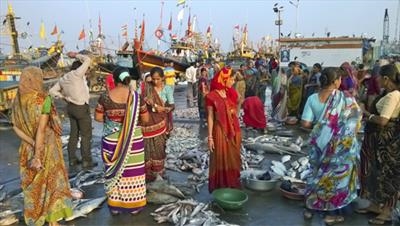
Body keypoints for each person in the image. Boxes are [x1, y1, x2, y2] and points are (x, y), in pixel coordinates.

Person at [11, 67, 73, 226]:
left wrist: (30, 143)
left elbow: (15, 127)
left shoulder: (17, 99)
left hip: (26, 147)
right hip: (47, 147)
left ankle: (36, 217)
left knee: (34, 185)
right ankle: (53, 221)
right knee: (52, 182)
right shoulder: (43, 99)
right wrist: (38, 154)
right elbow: (41, 129)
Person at [301, 67, 362, 225]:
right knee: (336, 179)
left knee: (316, 175)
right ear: (335, 81)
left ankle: (309, 210)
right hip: (340, 147)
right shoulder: (346, 99)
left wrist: (322, 127)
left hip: (319, 146)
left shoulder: (313, 98)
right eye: (339, 79)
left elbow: (306, 123)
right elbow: (355, 120)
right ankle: (331, 214)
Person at [95, 67, 149, 215]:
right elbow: (145, 119)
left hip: (111, 140)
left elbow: (98, 118)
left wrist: (113, 121)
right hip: (133, 139)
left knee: (114, 171)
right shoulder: (137, 97)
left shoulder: (105, 97)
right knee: (133, 172)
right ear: (127, 79)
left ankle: (115, 206)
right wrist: (129, 122)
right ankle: (134, 205)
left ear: (115, 79)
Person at [358, 64, 400, 225]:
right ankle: (375, 205)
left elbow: (383, 120)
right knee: (374, 173)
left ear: (386, 78)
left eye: (379, 77)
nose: (376, 80)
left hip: (387, 143)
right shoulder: (386, 93)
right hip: (376, 140)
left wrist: (366, 115)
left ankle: (387, 212)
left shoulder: (394, 95)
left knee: (388, 175)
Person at [49, 51, 95, 169]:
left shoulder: (64, 78)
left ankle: (72, 159)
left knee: (74, 134)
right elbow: (87, 60)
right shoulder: (77, 74)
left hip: (70, 107)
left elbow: (52, 91)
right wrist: (75, 55)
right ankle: (86, 160)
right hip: (81, 107)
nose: (87, 71)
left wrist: (64, 97)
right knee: (86, 135)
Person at [206, 66, 242, 192]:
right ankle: (222, 184)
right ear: (224, 79)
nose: (233, 82)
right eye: (231, 79)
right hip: (220, 130)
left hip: (234, 129)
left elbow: (238, 104)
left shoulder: (231, 92)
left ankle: (232, 181)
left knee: (234, 156)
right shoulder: (211, 96)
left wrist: (233, 112)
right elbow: (210, 117)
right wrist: (210, 137)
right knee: (221, 157)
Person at [140, 67, 173, 181]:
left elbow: (172, 106)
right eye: (153, 79)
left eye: (158, 79)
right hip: (147, 125)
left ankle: (158, 173)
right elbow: (141, 104)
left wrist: (162, 108)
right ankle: (148, 175)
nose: (155, 82)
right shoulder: (147, 88)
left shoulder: (167, 89)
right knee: (147, 149)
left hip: (160, 123)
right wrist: (146, 102)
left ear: (163, 78)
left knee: (159, 149)